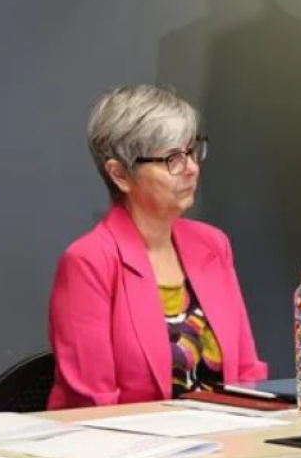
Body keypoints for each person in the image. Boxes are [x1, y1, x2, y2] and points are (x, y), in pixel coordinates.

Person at [48, 85, 267, 408]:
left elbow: (247, 371)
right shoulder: (89, 261)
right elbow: (92, 403)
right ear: (120, 174)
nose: (191, 167)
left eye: (192, 152)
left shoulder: (212, 244)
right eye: (172, 159)